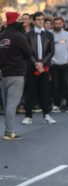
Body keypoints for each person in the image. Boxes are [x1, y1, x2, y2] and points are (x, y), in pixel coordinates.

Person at [0, 12, 32, 140]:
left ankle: (8, 130)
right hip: (16, 74)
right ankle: (9, 132)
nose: (22, 22)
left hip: (3, 74)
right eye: (19, 19)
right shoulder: (19, 36)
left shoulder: (1, 36)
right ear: (14, 21)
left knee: (7, 104)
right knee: (12, 104)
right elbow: (29, 53)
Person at [22, 12, 56, 125]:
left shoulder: (49, 35)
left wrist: (42, 63)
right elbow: (27, 52)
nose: (41, 21)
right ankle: (28, 116)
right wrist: (36, 63)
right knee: (30, 91)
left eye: (42, 19)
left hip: (44, 67)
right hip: (32, 67)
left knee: (45, 91)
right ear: (34, 21)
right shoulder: (28, 35)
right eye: (38, 19)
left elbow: (51, 51)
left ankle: (46, 115)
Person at [50, 17, 68, 113]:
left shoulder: (67, 34)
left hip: (65, 63)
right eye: (56, 23)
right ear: (53, 24)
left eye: (59, 23)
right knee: (55, 85)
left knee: (67, 85)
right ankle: (56, 104)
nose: (57, 25)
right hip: (54, 64)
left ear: (62, 24)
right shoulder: (49, 34)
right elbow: (47, 49)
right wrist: (51, 61)